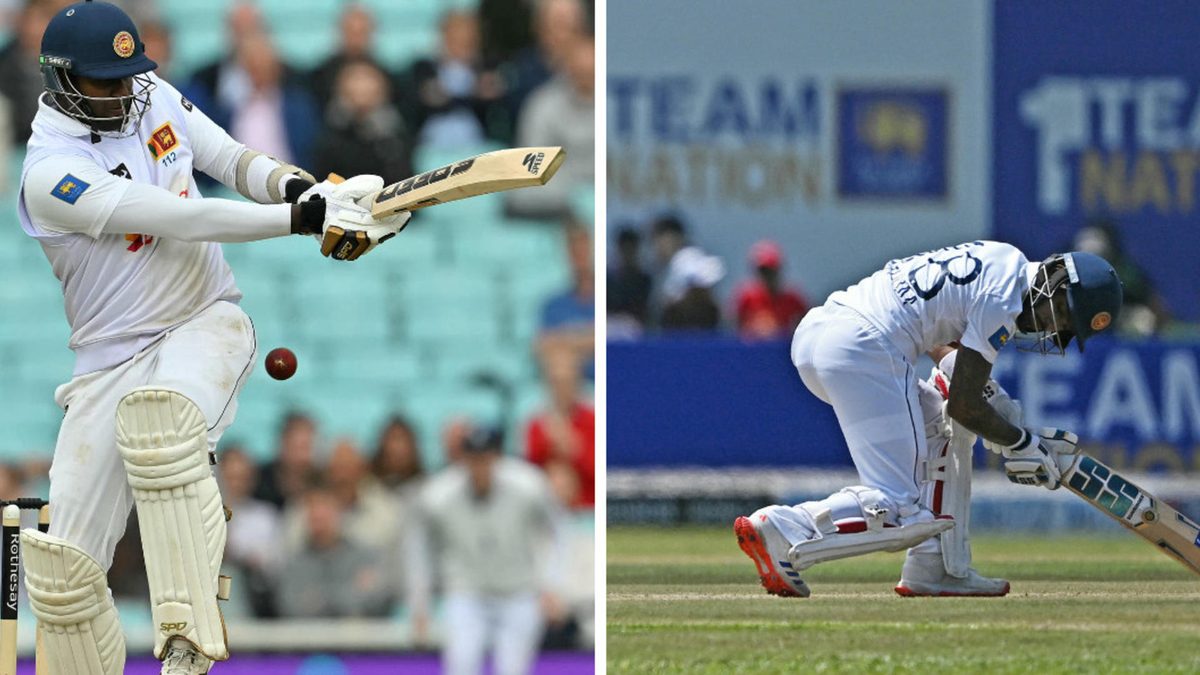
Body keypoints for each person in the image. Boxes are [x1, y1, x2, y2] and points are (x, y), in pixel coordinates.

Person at [15, 3, 410, 673]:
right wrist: (301, 218)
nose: (121, 93)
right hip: (106, 360)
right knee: (62, 575)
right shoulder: (49, 174)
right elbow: (179, 216)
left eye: (126, 76)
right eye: (102, 82)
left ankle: (187, 643)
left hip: (204, 321)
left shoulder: (152, 96)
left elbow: (230, 158)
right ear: (60, 79)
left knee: (162, 425)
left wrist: (300, 187)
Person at [735, 240, 1123, 598]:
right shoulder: (1004, 299)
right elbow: (966, 408)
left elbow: (939, 337)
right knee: (900, 507)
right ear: (1053, 281)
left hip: (822, 335)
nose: (1052, 328)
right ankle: (785, 527)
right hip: (864, 346)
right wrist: (1022, 443)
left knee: (939, 425)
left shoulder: (1002, 258)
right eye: (1060, 315)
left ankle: (934, 565)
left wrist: (992, 398)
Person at [407, 425, 569, 675]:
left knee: (513, 670)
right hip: (466, 592)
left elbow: (556, 530)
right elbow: (418, 545)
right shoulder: (439, 495)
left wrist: (551, 584)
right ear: (464, 459)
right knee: (460, 666)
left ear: (497, 457)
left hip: (518, 591)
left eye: (486, 458)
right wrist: (420, 602)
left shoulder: (528, 485)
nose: (480, 466)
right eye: (474, 459)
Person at [650, 214, 724, 330]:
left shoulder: (688, 257)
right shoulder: (662, 269)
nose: (655, 246)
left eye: (656, 240)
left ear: (670, 237)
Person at [734, 240, 810, 339]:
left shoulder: (793, 299)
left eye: (770, 271)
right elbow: (737, 328)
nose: (767, 276)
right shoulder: (746, 298)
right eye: (763, 271)